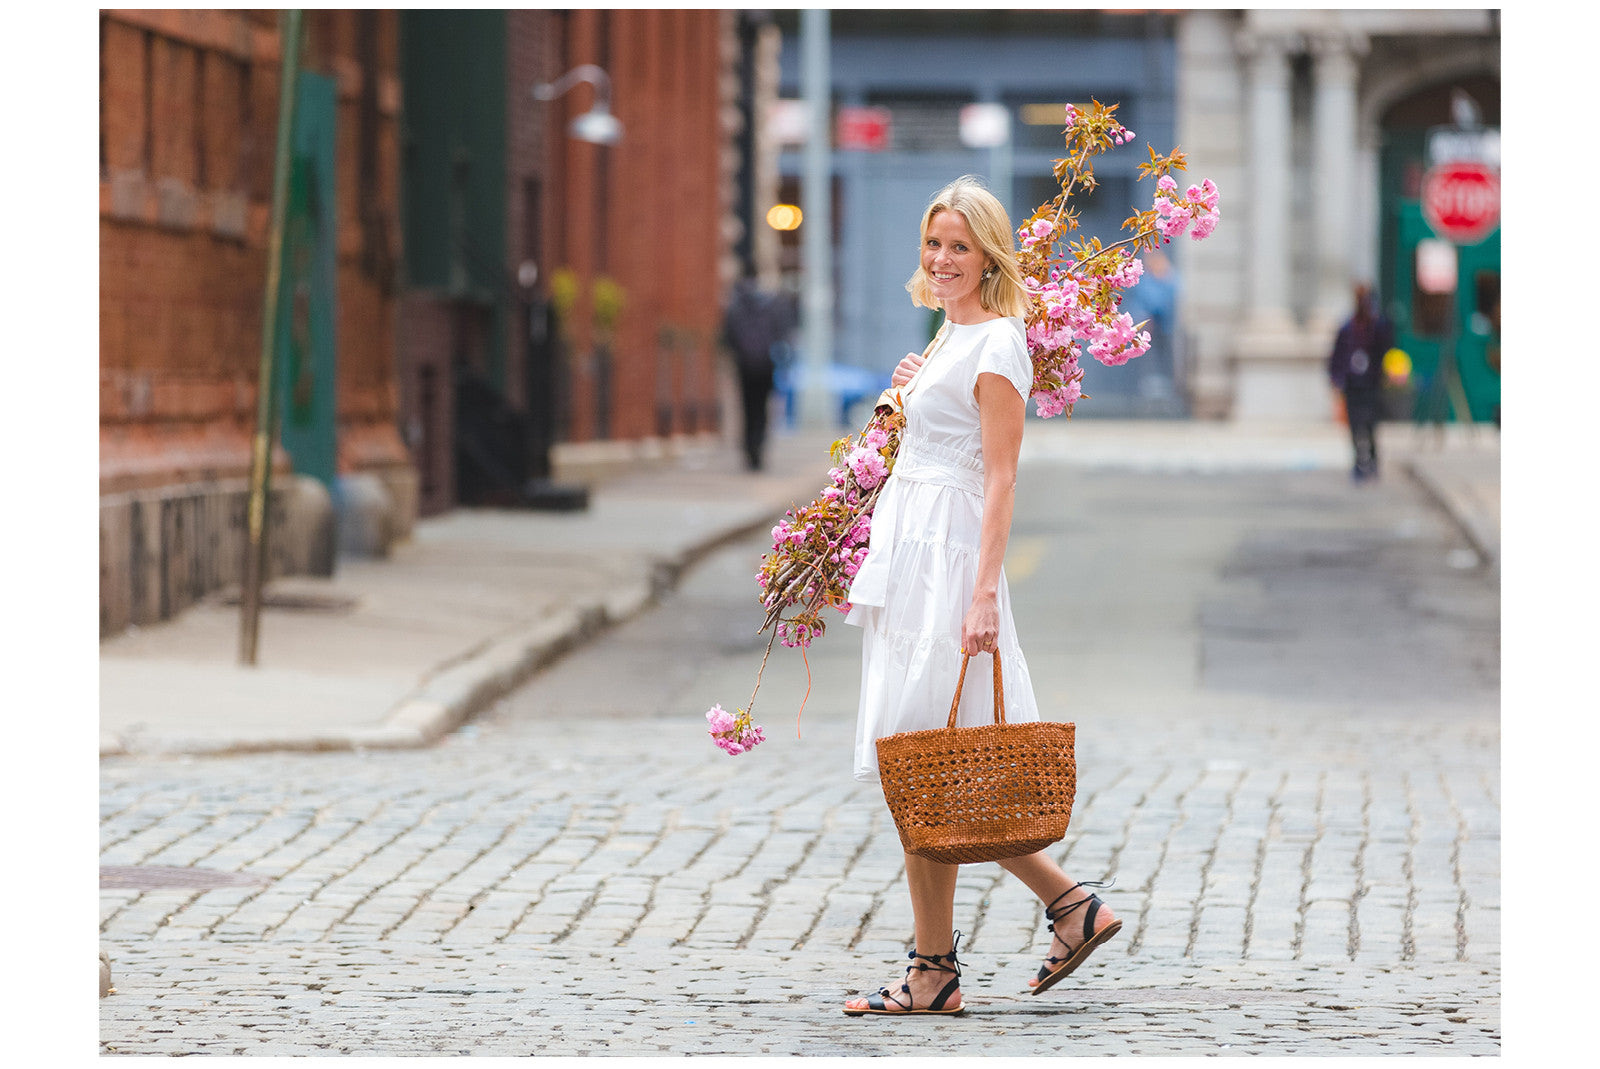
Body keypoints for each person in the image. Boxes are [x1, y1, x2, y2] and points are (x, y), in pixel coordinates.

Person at [839, 176, 1120, 1017]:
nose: (943, 259)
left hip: (951, 560)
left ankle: (941, 964)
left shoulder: (999, 343)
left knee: (926, 759)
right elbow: (926, 445)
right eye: (934, 244)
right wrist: (905, 392)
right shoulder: (946, 337)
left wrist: (984, 594)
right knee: (921, 761)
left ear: (989, 254)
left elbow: (999, 478)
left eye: (960, 246)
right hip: (911, 554)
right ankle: (1066, 909)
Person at [721, 275, 796, 471]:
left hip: (744, 366)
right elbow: (782, 333)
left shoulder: (737, 307)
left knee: (747, 407)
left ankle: (748, 446)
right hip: (766, 365)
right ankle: (758, 445)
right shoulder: (770, 305)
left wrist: (737, 354)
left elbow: (728, 336)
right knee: (762, 408)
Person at [1327, 283, 1394, 481]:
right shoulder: (1348, 328)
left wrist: (1387, 375)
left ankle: (1372, 461)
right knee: (1355, 426)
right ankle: (1359, 463)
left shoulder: (1379, 327)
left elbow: (1386, 351)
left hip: (1371, 382)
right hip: (1353, 383)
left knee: (1371, 425)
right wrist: (1336, 379)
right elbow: (1337, 356)